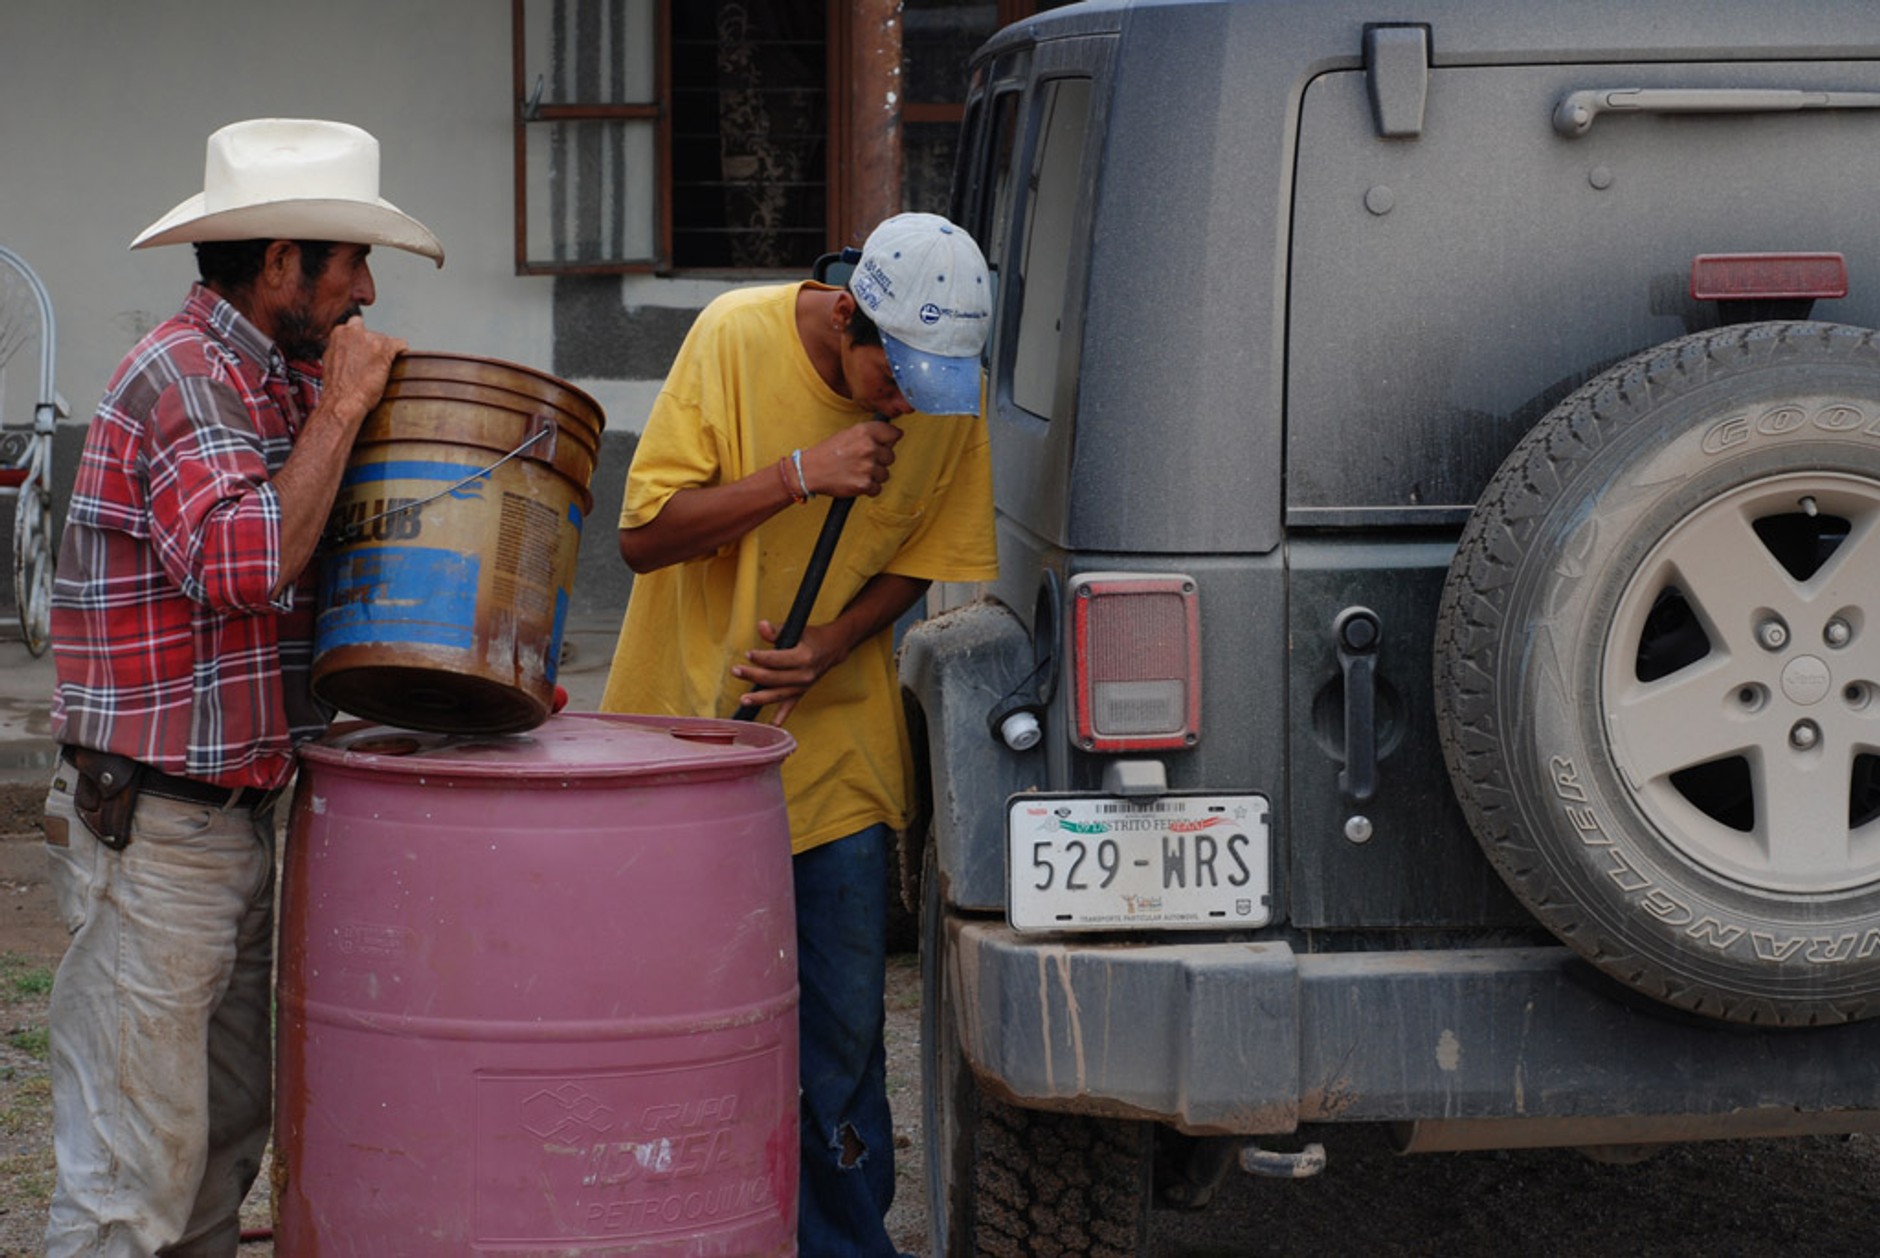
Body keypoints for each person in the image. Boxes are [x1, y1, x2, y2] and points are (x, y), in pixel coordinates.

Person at [41, 117, 442, 1256]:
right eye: (348, 261)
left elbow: (326, 579)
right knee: (134, 1168)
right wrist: (345, 409)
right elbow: (248, 567)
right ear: (279, 265)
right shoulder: (185, 375)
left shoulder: (273, 381)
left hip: (231, 815)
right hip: (157, 829)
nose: (364, 290)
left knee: (218, 1141)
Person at [599, 211, 997, 1254]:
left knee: (839, 1042)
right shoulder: (734, 337)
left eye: (927, 385)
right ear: (847, 319)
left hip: (837, 769)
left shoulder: (948, 388)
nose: (909, 402)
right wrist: (798, 473)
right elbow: (641, 539)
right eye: (891, 377)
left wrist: (830, 644)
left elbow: (930, 552)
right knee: (672, 1039)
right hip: (684, 756)